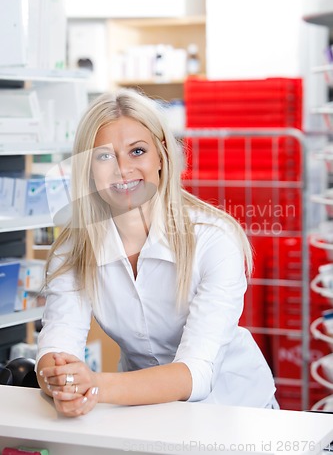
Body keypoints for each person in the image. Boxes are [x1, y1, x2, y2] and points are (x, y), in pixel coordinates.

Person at [36, 88, 277, 417]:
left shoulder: (213, 241)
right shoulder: (75, 248)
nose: (122, 169)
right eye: (104, 156)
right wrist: (61, 380)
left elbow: (197, 373)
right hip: (143, 409)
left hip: (236, 410)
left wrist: (93, 385)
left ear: (162, 156)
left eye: (137, 151)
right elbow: (57, 342)